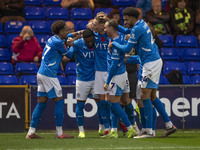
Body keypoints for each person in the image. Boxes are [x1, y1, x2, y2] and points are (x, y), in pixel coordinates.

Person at [109, 7, 177, 138]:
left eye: (126, 19)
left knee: (145, 97)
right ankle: (169, 125)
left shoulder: (137, 28)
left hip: (150, 64)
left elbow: (128, 48)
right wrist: (116, 26)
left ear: (133, 18)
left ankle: (149, 131)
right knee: (151, 97)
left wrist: (114, 44)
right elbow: (128, 30)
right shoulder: (141, 24)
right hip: (152, 62)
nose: (125, 21)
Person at [26, 20, 74, 139]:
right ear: (61, 31)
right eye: (66, 30)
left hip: (41, 73)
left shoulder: (52, 39)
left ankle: (31, 132)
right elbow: (69, 55)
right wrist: (73, 44)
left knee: (41, 103)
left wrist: (69, 39)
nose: (67, 32)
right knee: (59, 101)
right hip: (49, 74)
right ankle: (59, 133)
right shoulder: (58, 42)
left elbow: (63, 42)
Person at [103, 19, 138, 138]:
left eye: (106, 27)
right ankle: (115, 130)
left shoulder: (115, 44)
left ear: (112, 29)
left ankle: (129, 127)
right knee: (125, 101)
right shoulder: (121, 36)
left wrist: (107, 81)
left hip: (117, 75)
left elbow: (114, 65)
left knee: (114, 104)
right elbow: (127, 32)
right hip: (123, 74)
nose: (104, 29)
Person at [68, 29, 98, 138]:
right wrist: (71, 44)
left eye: (91, 41)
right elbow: (69, 55)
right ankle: (81, 130)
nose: (90, 43)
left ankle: (102, 128)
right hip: (82, 79)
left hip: (96, 78)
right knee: (80, 105)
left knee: (101, 104)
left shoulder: (98, 41)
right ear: (83, 39)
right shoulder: (77, 44)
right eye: (87, 41)